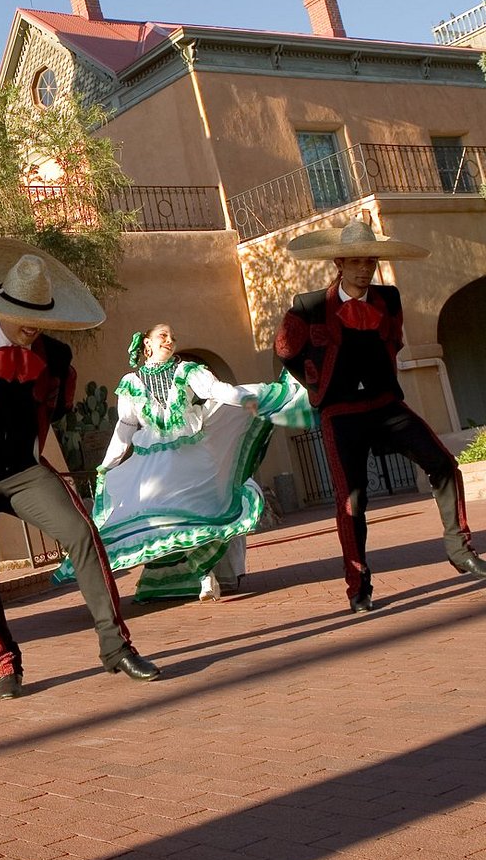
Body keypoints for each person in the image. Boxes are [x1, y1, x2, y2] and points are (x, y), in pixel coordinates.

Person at [0, 237, 161, 700]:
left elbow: (58, 407)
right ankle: (4, 665)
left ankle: (116, 648)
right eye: (26, 322)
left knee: (81, 533)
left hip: (23, 470)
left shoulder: (57, 357)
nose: (32, 331)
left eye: (40, 321)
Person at [274, 217, 486, 613]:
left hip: (387, 406)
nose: (364, 267)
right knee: (352, 502)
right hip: (340, 415)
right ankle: (358, 586)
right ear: (339, 262)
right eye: (355, 261)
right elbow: (286, 350)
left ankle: (460, 550)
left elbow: (395, 339)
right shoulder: (309, 305)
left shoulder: (389, 299)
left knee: (442, 464)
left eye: (370, 260)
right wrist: (314, 383)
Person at [62, 323, 310, 603]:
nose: (169, 340)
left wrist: (253, 398)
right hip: (153, 466)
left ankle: (204, 573)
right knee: (162, 520)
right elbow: (126, 426)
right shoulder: (131, 383)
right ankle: (182, 579)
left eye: (172, 337)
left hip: (191, 457)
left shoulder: (188, 370)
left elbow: (219, 391)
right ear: (147, 344)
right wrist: (108, 463)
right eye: (162, 336)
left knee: (199, 512)